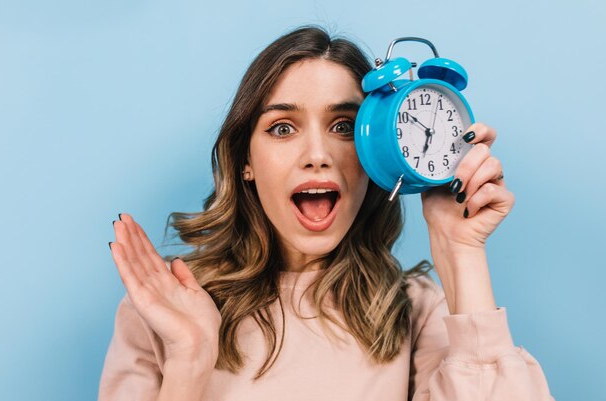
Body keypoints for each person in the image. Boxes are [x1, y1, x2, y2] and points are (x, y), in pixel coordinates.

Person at [98, 26, 554, 401]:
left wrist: (460, 252)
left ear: (374, 152)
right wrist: (189, 361)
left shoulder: (413, 308)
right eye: (282, 127)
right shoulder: (163, 307)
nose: (317, 154)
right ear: (246, 162)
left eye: (343, 127)